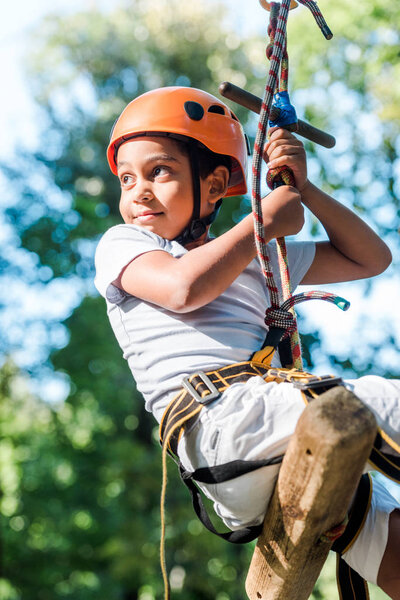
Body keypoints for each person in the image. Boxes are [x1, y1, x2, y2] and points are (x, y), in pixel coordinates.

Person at [94, 86, 400, 598]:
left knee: (387, 528)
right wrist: (263, 219)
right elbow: (183, 289)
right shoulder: (126, 245)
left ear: (214, 185)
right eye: (127, 178)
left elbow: (371, 258)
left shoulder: (259, 260)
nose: (138, 192)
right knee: (381, 404)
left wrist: (306, 192)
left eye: (159, 172)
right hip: (224, 425)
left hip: (268, 433)